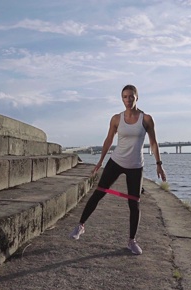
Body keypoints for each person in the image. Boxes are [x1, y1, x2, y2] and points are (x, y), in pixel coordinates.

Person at [69, 84, 166, 255]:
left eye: (131, 96)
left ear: (137, 97)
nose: (128, 100)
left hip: (136, 165)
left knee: (134, 204)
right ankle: (80, 225)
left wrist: (159, 164)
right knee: (98, 193)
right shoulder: (116, 119)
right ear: (122, 99)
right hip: (116, 161)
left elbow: (153, 142)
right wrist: (100, 161)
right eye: (125, 97)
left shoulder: (146, 119)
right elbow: (108, 140)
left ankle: (131, 241)